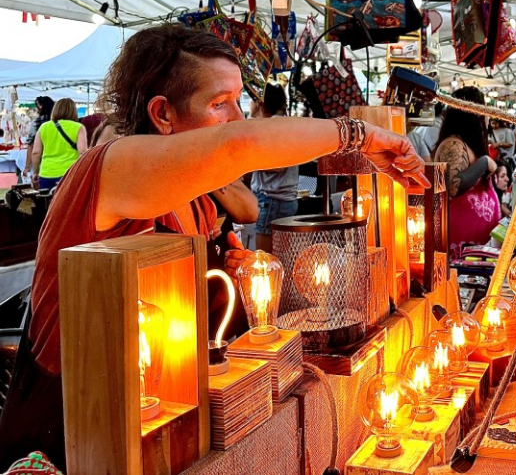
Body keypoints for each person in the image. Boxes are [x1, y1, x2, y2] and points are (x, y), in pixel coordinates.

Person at [0, 24, 426, 471]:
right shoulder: (109, 167)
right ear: (163, 114)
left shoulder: (199, 201)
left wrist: (234, 275)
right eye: (220, 104)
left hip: (164, 431)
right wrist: (362, 135)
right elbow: (239, 145)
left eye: (239, 99)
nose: (238, 117)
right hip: (69, 437)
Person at [434, 86, 501, 258]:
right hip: (458, 245)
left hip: (476, 244)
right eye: (484, 110)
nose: (487, 116)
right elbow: (454, 186)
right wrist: (484, 162)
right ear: (473, 114)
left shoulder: (467, 145)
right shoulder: (454, 145)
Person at [250, 82, 299, 252]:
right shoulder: (288, 125)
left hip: (271, 201)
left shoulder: (271, 126)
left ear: (260, 103)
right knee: (280, 258)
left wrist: (247, 161)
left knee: (265, 260)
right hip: (283, 200)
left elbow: (278, 164)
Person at [31, 98, 87, 190]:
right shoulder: (78, 127)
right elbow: (82, 152)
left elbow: (36, 152)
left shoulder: (44, 127)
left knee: (46, 203)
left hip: (46, 173)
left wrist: (35, 172)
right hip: (69, 173)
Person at [23, 95, 53, 182]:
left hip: (43, 164)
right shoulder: (63, 123)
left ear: (41, 107)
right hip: (65, 166)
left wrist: (27, 167)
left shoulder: (38, 123)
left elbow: (32, 148)